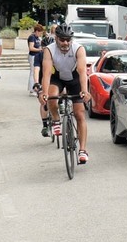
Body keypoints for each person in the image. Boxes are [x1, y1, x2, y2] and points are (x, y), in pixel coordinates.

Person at [38, 25, 93, 165]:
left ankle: (82, 150)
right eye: (62, 40)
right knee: (51, 96)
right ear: (56, 38)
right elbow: (46, 74)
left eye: (68, 40)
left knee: (79, 114)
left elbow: (82, 72)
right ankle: (56, 119)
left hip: (74, 78)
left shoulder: (78, 49)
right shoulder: (49, 50)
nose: (65, 43)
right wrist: (43, 92)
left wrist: (84, 91)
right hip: (58, 77)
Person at [28, 24, 45, 95]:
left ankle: (34, 88)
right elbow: (31, 48)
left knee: (35, 72)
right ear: (37, 31)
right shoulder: (32, 37)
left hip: (37, 55)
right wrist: (40, 49)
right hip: (33, 55)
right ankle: (32, 89)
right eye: (40, 32)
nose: (41, 34)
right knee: (33, 72)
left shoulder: (37, 38)